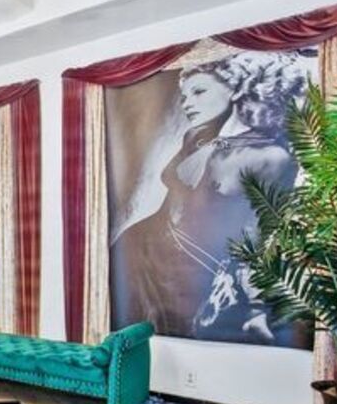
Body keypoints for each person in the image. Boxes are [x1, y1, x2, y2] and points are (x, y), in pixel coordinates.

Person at [111, 51, 308, 345]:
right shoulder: (198, 136)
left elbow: (260, 232)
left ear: (238, 87)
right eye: (184, 94)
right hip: (145, 252)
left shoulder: (269, 156)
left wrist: (254, 304)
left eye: (199, 91)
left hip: (183, 269)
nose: (187, 102)